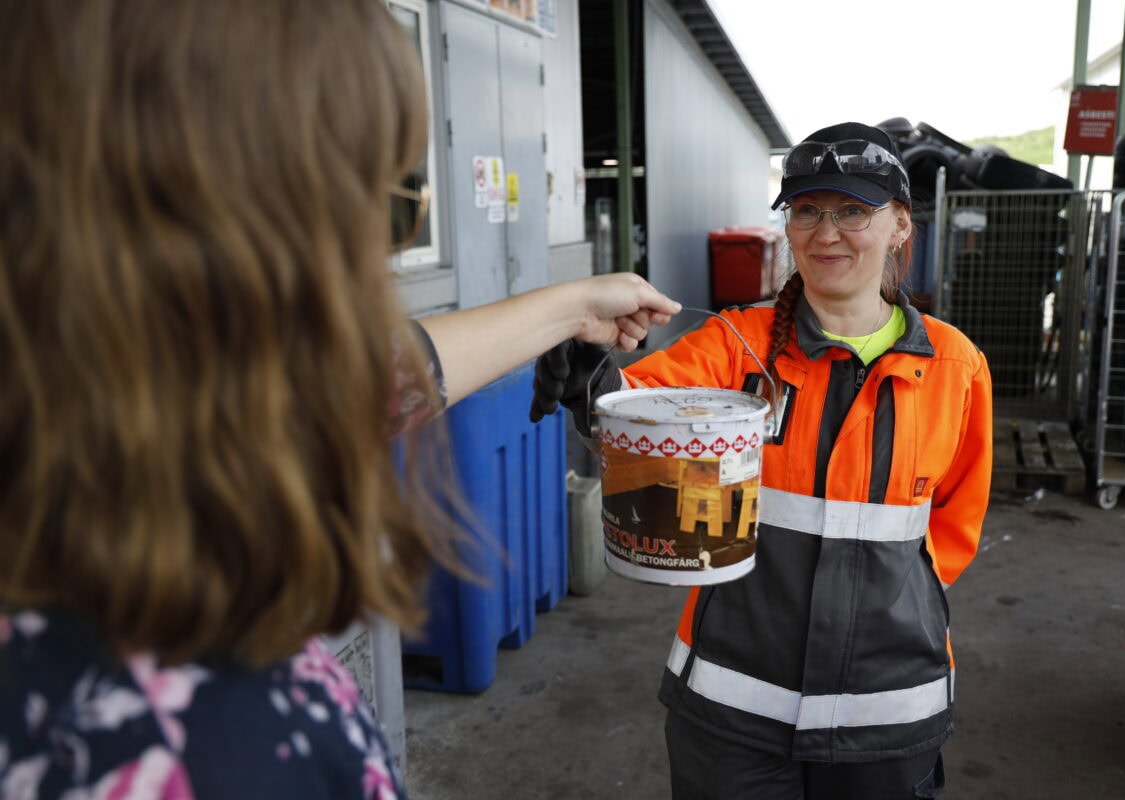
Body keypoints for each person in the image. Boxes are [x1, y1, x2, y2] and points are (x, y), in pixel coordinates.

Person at [0, 1, 680, 798]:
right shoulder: (198, 740)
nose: (369, 273)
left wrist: (573, 307)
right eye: (371, 213)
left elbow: (367, 376)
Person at [531, 122, 993, 799]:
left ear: (899, 225)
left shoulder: (955, 367)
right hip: (732, 706)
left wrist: (899, 600)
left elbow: (955, 525)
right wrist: (591, 381)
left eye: (852, 212)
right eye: (807, 210)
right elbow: (642, 406)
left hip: (887, 706)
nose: (826, 232)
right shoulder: (735, 344)